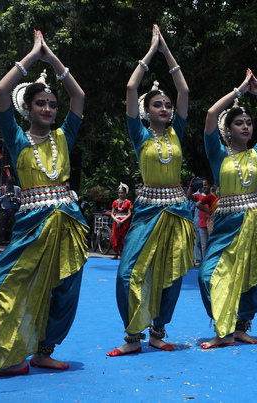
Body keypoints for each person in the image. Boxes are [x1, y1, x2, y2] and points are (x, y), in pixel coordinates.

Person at [0, 30, 87, 378]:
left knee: (64, 289)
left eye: (52, 104)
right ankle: (11, 357)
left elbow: (79, 96)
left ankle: (44, 352)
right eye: (40, 103)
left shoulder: (64, 135)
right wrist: (32, 56)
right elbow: (0, 91)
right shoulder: (15, 137)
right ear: (26, 107)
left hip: (67, 221)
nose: (48, 108)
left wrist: (53, 59)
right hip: (30, 226)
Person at [108, 25, 193, 356]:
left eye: (168, 106)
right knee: (128, 273)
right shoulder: (139, 134)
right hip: (146, 210)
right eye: (158, 105)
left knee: (169, 274)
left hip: (177, 210)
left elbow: (184, 90)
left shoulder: (178, 132)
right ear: (147, 111)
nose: (166, 109)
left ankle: (157, 330)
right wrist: (151, 51)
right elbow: (131, 87)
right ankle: (132, 336)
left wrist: (167, 52)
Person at [198, 69, 257, 348]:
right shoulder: (218, 154)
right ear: (227, 130)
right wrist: (240, 89)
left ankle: (239, 327)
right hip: (226, 224)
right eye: (239, 123)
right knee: (208, 275)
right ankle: (224, 326)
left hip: (256, 219)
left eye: (248, 123)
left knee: (254, 277)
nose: (246, 127)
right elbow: (210, 115)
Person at [0, 176, 21, 254]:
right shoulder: (2, 189)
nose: (10, 186)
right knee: (0, 229)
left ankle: (12, 247)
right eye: (8, 184)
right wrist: (4, 196)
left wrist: (15, 198)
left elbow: (21, 200)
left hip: (14, 210)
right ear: (6, 184)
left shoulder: (17, 189)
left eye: (11, 184)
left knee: (14, 229)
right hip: (4, 210)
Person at [110, 183, 133, 260]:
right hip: (116, 221)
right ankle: (115, 253)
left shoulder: (128, 202)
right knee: (114, 237)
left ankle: (122, 254)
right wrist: (116, 220)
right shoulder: (115, 202)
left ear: (125, 193)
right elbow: (112, 213)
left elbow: (129, 214)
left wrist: (122, 221)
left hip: (125, 221)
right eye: (119, 193)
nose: (120, 194)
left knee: (123, 237)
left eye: (122, 193)